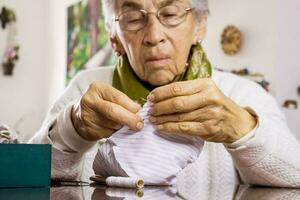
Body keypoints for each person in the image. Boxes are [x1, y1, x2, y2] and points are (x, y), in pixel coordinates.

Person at [30, 0, 300, 187]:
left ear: (200, 25)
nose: (154, 35)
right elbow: (26, 175)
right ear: (114, 37)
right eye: (133, 18)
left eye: (170, 14)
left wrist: (244, 129)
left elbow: (295, 177)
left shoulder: (242, 94)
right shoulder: (84, 88)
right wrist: (71, 129)